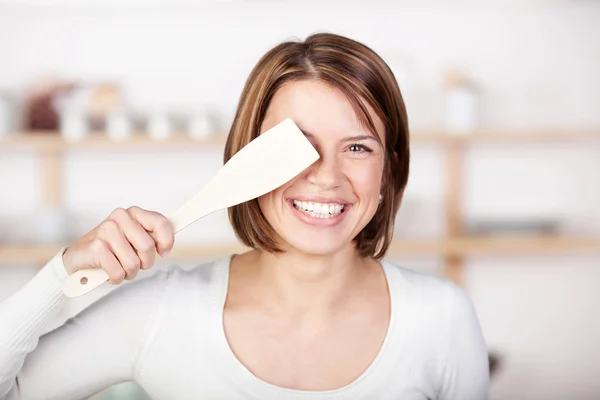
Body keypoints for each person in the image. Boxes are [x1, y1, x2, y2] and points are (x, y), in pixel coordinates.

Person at [0, 33, 489, 400]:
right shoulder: (162, 312)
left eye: (358, 147)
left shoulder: (440, 319)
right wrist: (63, 271)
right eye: (298, 146)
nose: (326, 176)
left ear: (389, 170)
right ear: (244, 155)